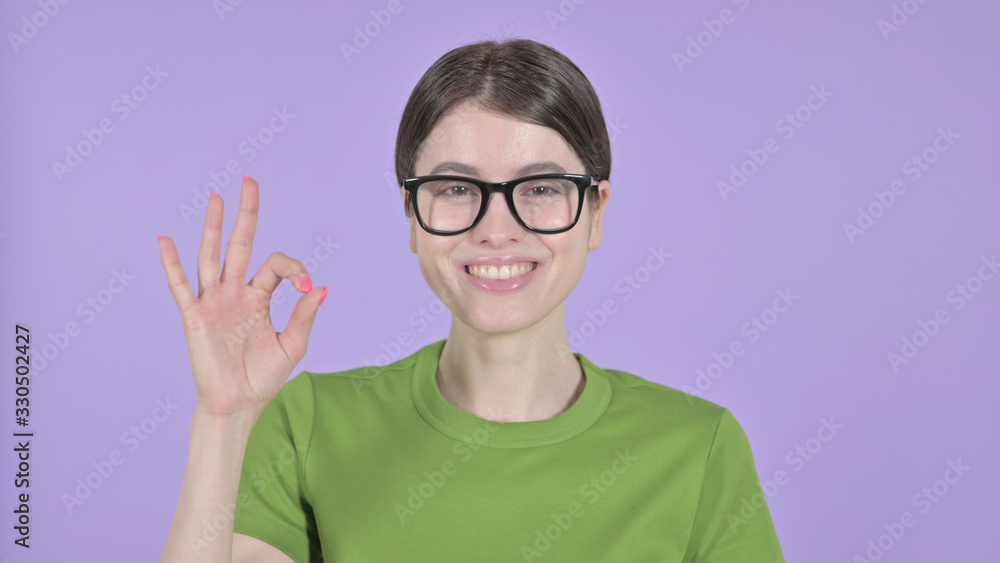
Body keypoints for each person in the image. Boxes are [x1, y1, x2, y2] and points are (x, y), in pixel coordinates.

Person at [159, 38, 785, 562]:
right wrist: (224, 419)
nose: (496, 228)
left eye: (540, 187)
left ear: (596, 214)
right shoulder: (309, 422)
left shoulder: (697, 448)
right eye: (457, 187)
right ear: (411, 214)